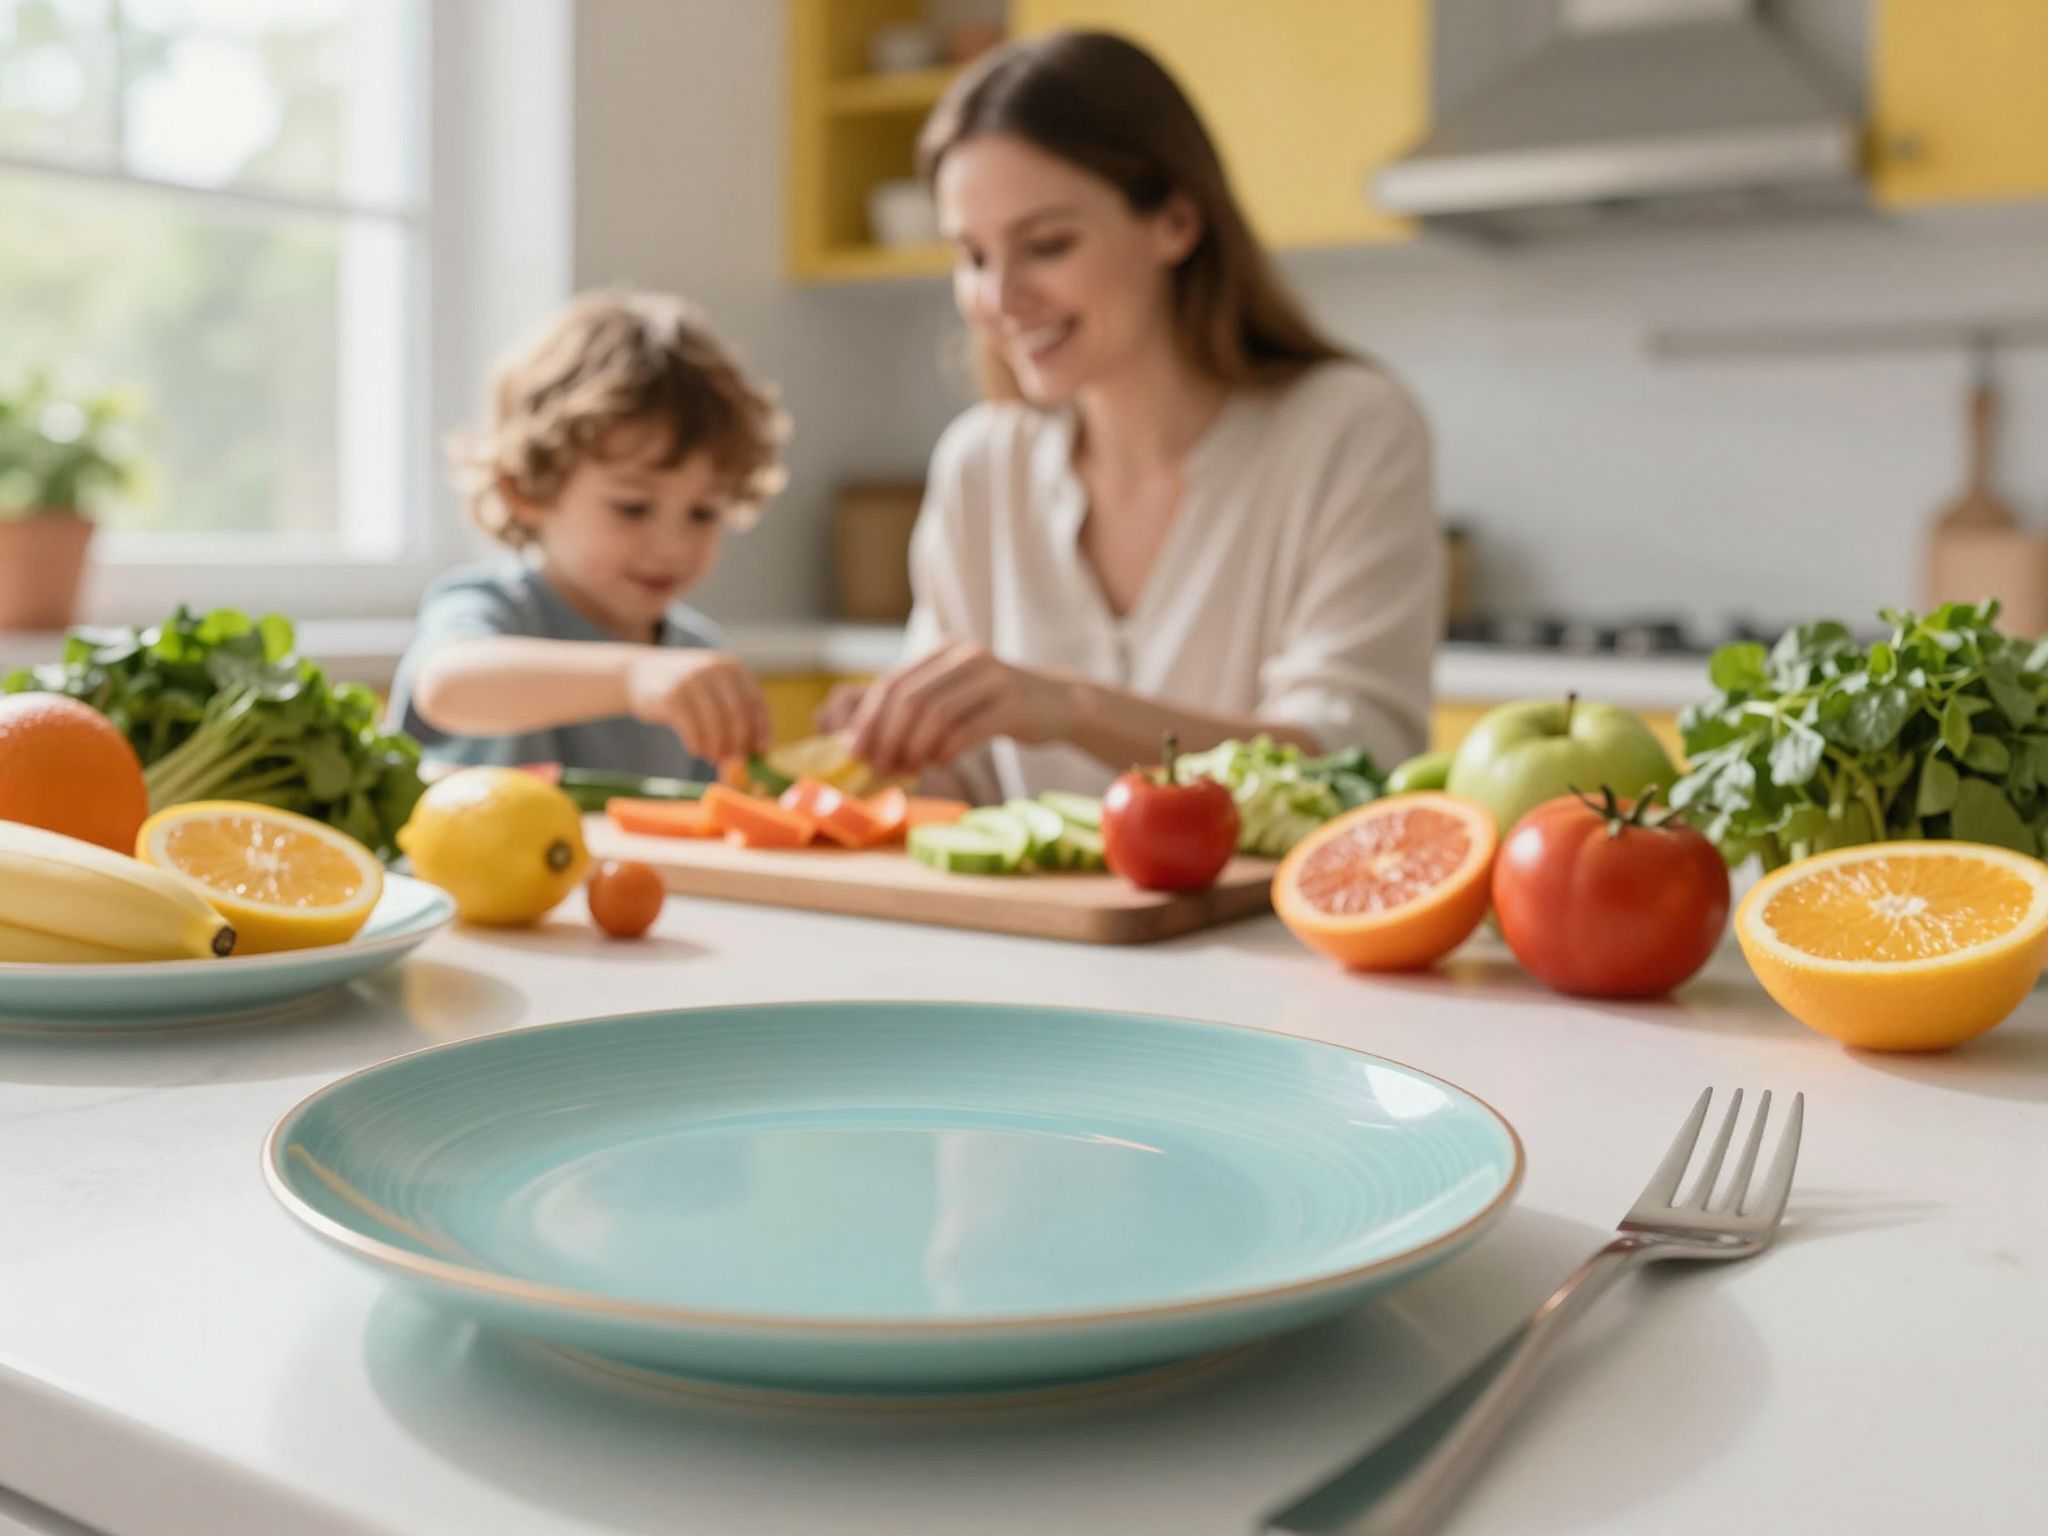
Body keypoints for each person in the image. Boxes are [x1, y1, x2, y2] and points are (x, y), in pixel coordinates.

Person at [828, 31, 1439, 803]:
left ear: (1176, 222)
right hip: (1026, 928)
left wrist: (1071, 710)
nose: (999, 298)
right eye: (972, 257)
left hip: (1273, 927)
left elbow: (1353, 765)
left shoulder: (1349, 430)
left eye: (1046, 244)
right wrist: (895, 749)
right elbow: (965, 785)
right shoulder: (983, 465)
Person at [387, 291, 787, 777]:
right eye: (633, 508)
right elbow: (446, 687)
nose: (673, 545)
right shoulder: (493, 608)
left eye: (703, 513)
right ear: (529, 490)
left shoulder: (695, 657)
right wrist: (634, 677)